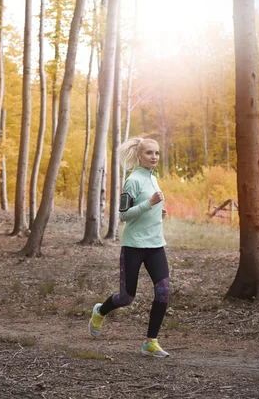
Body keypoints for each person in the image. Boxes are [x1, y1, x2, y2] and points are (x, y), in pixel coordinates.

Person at [88, 137, 171, 358]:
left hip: (155, 245)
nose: (154, 157)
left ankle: (150, 342)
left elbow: (146, 208)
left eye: (156, 153)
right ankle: (100, 311)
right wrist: (149, 204)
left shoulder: (153, 178)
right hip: (134, 246)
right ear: (138, 155)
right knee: (127, 297)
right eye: (149, 153)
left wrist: (158, 212)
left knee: (163, 292)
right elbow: (124, 215)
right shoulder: (132, 180)